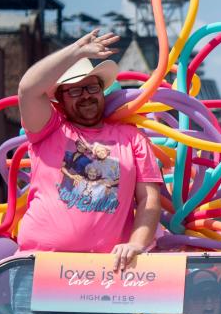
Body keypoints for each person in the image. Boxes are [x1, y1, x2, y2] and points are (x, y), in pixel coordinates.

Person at [16, 29, 162, 269]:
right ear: (60, 99)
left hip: (107, 270)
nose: (85, 96)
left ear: (102, 91)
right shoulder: (50, 129)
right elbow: (27, 90)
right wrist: (77, 51)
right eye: (74, 90)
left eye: (92, 88)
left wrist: (136, 245)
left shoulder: (133, 138)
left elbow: (149, 199)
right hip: (38, 268)